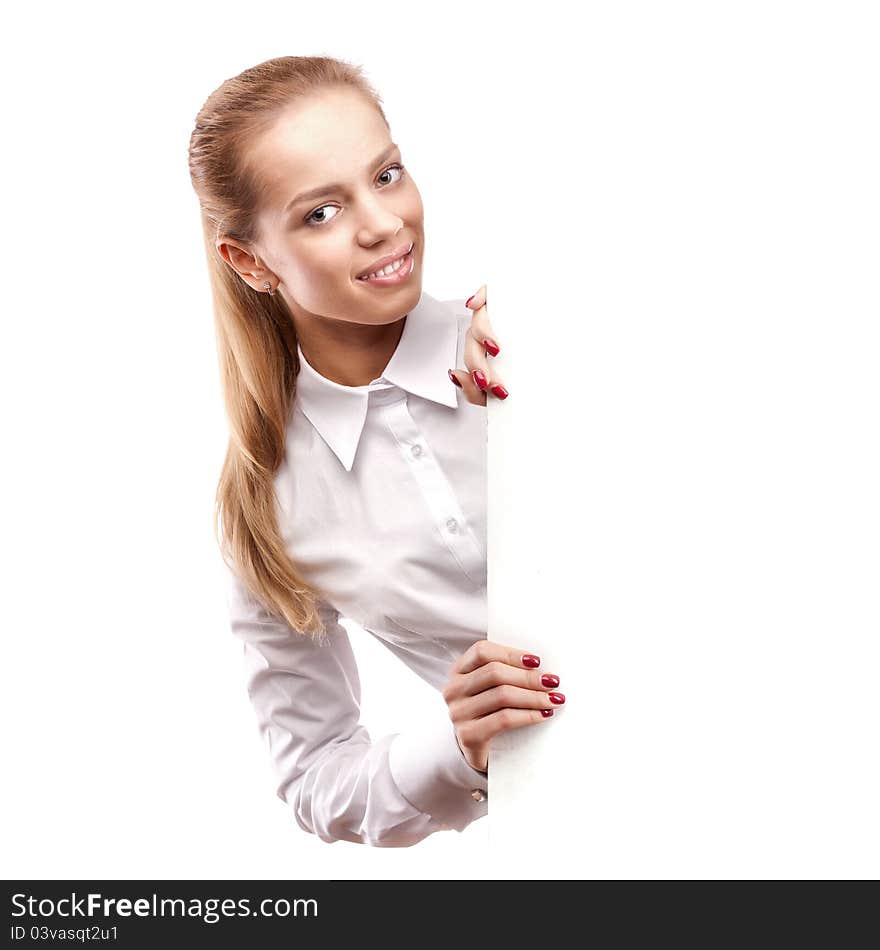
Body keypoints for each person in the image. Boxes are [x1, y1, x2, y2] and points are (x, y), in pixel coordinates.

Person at [187, 55, 565, 847]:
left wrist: (564, 326)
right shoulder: (268, 506)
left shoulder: (532, 333)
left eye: (386, 175)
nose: (383, 223)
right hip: (583, 833)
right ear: (250, 260)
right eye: (320, 213)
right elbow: (313, 775)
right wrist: (454, 746)